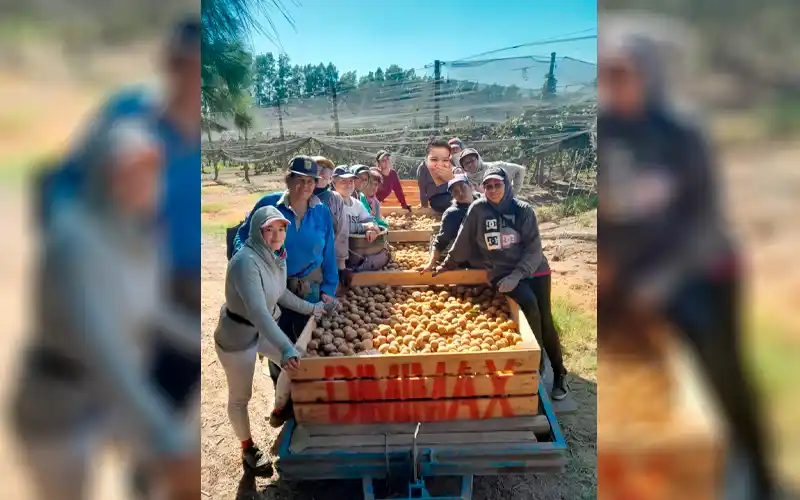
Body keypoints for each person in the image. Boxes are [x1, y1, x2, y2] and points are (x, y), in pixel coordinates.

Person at [597, 23, 775, 498]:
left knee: (722, 378)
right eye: (607, 75)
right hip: (633, 279)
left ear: (648, 75)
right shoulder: (607, 133)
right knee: (633, 371)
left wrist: (659, 282)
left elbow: (702, 223)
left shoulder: (681, 134)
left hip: (699, 273)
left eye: (624, 74)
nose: (615, 85)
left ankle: (758, 474)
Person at [12, 120, 200, 500]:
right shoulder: (72, 239)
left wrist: (201, 342)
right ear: (103, 174)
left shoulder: (140, 235)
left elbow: (153, 310)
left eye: (150, 170)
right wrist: (163, 430)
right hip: (61, 404)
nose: (143, 182)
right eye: (130, 172)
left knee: (164, 481)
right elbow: (100, 348)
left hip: (116, 399)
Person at [214, 205, 333, 473]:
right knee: (240, 396)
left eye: (281, 229)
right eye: (269, 229)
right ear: (257, 232)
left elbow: (281, 294)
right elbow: (258, 313)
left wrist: (312, 308)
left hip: (262, 329)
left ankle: (279, 410)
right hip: (238, 336)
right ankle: (248, 448)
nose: (277, 235)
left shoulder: (277, 255)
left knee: (295, 364)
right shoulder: (245, 262)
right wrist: (285, 347)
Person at [434, 167, 569, 400]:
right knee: (529, 304)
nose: (493, 190)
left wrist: (518, 274)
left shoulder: (522, 209)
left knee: (545, 319)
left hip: (534, 269)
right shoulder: (478, 209)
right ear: (482, 188)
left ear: (507, 185)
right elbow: (463, 240)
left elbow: (534, 249)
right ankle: (535, 364)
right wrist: (446, 265)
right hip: (501, 271)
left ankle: (559, 373)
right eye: (488, 186)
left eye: (497, 185)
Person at [232, 156, 339, 387]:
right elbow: (242, 236)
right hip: (273, 289)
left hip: (310, 290)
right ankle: (280, 393)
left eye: (311, 181)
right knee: (277, 347)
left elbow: (329, 253)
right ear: (288, 180)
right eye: (299, 180)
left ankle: (302, 396)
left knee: (306, 345)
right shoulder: (268, 205)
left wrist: (329, 289)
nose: (306, 186)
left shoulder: (321, 212)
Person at [420, 175, 478, 272]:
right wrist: (431, 264)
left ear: (470, 186)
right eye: (455, 191)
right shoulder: (452, 214)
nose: (460, 193)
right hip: (464, 258)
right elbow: (442, 240)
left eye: (463, 187)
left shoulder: (483, 204)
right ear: (452, 195)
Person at [312, 156, 349, 281]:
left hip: (329, 257)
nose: (323, 173)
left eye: (327, 169)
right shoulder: (301, 197)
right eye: (319, 168)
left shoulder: (336, 199)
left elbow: (342, 232)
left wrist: (341, 265)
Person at [457, 147, 526, 195]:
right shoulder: (465, 179)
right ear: (463, 166)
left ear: (478, 159)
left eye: (472, 160)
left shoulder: (494, 167)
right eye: (466, 163)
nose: (470, 164)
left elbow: (520, 169)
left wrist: (513, 192)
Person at [417, 138, 456, 213]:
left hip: (452, 194)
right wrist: (424, 204)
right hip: (437, 198)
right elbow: (422, 189)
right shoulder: (423, 168)